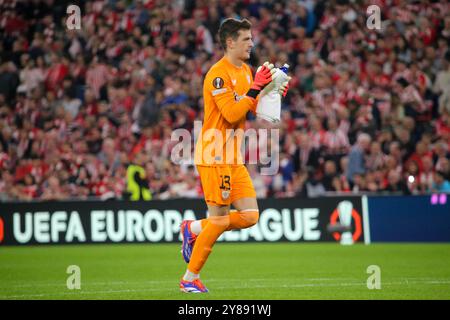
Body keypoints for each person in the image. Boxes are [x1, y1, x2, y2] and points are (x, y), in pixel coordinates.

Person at [178, 18, 290, 293]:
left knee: (250, 215)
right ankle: (189, 279)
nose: (252, 43)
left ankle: (192, 229)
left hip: (233, 156)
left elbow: (254, 109)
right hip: (215, 154)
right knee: (219, 220)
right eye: (246, 39)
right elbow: (230, 113)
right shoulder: (218, 74)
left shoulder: (246, 71)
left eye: (251, 39)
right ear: (230, 42)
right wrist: (255, 90)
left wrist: (272, 93)